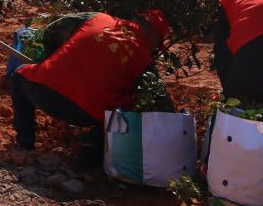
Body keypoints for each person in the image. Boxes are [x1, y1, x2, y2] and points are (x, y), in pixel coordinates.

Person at [9, 10, 169, 164]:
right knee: (125, 106)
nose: (154, 50)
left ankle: (25, 143)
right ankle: (91, 149)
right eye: (156, 45)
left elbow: (52, 31)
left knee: (19, 75)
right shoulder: (145, 62)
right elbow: (158, 99)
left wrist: (50, 59)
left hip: (45, 93)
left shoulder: (97, 18)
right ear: (152, 36)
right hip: (87, 115)